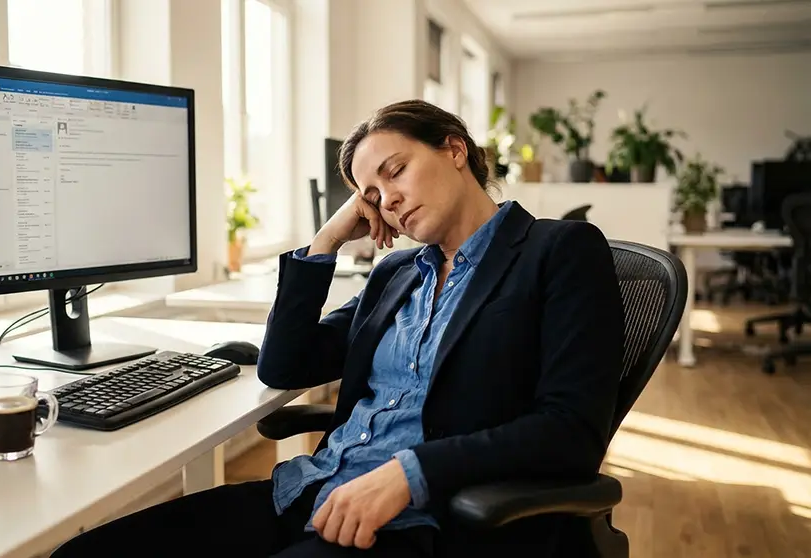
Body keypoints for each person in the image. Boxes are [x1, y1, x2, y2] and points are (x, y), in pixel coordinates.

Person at [50, 100, 624, 557]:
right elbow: (284, 366)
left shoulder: (557, 251)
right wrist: (324, 242)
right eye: (371, 194)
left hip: (421, 521)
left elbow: (570, 430)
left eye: (395, 171)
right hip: (310, 489)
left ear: (455, 149)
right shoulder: (398, 272)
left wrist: (410, 474)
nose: (388, 199)